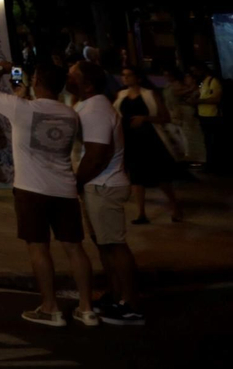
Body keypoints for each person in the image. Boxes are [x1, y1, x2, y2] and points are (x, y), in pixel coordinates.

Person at [0, 60, 96, 327]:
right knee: (74, 248)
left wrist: (2, 69)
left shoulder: (21, 108)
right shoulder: (70, 114)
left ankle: (50, 308)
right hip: (65, 190)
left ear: (37, 81)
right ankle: (87, 308)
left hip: (31, 190)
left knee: (39, 248)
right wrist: (22, 91)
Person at [70, 60, 144, 326]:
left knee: (114, 244)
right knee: (104, 244)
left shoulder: (96, 109)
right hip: (98, 184)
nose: (69, 78)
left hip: (104, 184)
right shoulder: (89, 105)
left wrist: (77, 182)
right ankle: (115, 294)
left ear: (88, 84)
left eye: (73, 75)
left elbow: (97, 154)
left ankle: (131, 304)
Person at [114, 66, 184, 224]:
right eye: (123, 75)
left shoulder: (149, 94)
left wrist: (145, 118)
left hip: (149, 137)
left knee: (160, 174)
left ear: (138, 77)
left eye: (129, 75)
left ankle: (174, 205)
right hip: (130, 138)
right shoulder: (121, 95)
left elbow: (165, 117)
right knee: (136, 176)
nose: (125, 78)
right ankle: (141, 213)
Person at [190, 62, 226, 174]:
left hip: (213, 116)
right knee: (208, 142)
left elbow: (216, 99)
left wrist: (198, 101)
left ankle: (216, 167)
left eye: (195, 71)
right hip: (204, 115)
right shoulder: (203, 82)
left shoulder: (213, 81)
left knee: (214, 142)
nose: (194, 73)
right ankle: (211, 166)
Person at [167, 67, 207, 164]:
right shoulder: (185, 88)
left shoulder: (198, 89)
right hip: (185, 116)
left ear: (193, 79)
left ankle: (199, 157)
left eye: (187, 77)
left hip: (192, 115)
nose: (185, 79)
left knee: (194, 136)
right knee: (187, 136)